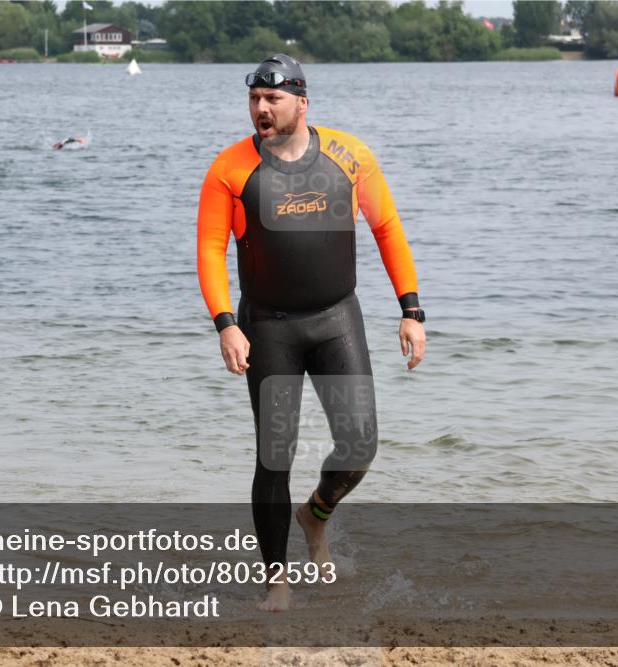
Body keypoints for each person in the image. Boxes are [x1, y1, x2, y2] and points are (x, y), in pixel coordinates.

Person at [196, 54, 426, 612]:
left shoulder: (350, 157)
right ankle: (277, 581)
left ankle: (315, 514)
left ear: (302, 102)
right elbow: (210, 249)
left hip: (335, 318)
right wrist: (226, 324)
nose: (261, 109)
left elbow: (387, 228)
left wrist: (411, 310)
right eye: (254, 99)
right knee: (275, 455)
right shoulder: (230, 169)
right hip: (267, 327)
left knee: (360, 445)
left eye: (272, 99)